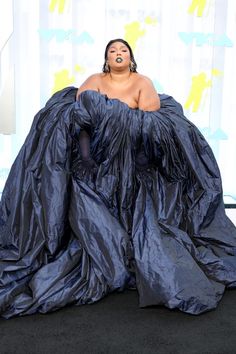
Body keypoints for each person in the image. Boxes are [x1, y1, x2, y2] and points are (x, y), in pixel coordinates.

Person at [0, 39, 236, 319]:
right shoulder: (94, 80)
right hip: (96, 157)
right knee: (82, 182)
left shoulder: (142, 82)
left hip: (133, 159)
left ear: (131, 58)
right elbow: (82, 113)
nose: (118, 54)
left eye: (123, 50)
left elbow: (149, 118)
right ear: (106, 59)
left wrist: (114, 115)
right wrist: (98, 141)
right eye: (112, 51)